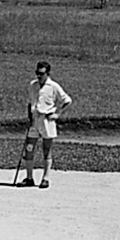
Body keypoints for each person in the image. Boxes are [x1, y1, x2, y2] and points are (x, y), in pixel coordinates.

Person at [22, 61, 73, 189]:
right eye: (37, 73)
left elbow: (67, 100)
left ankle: (46, 178)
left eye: (41, 74)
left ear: (47, 73)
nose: (39, 76)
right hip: (35, 119)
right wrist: (29, 117)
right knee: (29, 148)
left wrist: (57, 113)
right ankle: (29, 178)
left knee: (46, 149)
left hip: (47, 120)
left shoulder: (53, 86)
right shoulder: (33, 85)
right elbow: (30, 102)